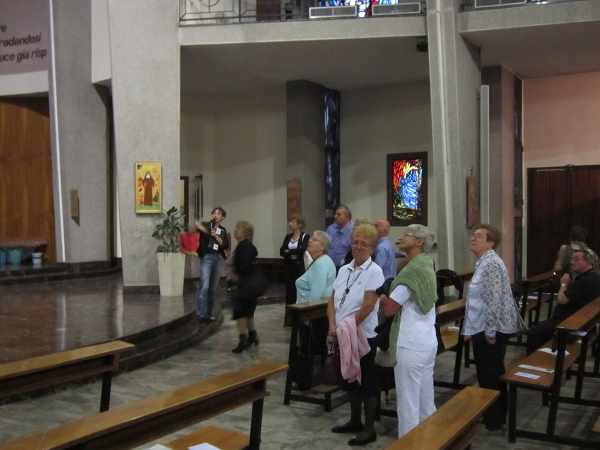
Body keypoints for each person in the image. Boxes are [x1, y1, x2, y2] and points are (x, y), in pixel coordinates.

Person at [463, 224, 524, 431]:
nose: (473, 239)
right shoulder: (484, 261)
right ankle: (496, 414)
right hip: (483, 327)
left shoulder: (490, 264)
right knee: (491, 371)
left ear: (491, 243)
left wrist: (489, 331)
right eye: (473, 235)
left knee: (489, 373)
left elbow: (494, 300)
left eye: (479, 236)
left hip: (490, 329)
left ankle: (494, 418)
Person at [328, 224, 384, 446]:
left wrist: (346, 327)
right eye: (356, 242)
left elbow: (368, 305)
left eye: (364, 244)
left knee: (367, 381)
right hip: (342, 333)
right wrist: (333, 325)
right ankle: (354, 421)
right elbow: (332, 300)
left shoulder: (375, 271)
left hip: (363, 335)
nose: (358, 246)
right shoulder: (343, 269)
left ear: (372, 248)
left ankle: (369, 429)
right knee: (349, 378)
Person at [380, 224, 437, 438]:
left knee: (408, 404)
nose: (401, 237)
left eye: (407, 234)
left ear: (419, 242)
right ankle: (431, 441)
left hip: (410, 343)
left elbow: (390, 309)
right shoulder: (427, 263)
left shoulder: (412, 270)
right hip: (427, 339)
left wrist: (383, 299)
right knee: (425, 401)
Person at [527, 246, 600, 354]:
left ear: (589, 262)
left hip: (568, 323)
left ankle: (533, 360)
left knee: (534, 332)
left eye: (576, 259)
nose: (572, 262)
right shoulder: (594, 276)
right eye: (572, 259)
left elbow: (562, 300)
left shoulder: (585, 280)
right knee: (539, 327)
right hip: (580, 321)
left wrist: (564, 284)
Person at [231, 221, 266, 353]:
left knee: (240, 313)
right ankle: (252, 335)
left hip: (244, 285)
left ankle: (243, 340)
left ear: (245, 232)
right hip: (251, 286)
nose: (235, 231)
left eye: (238, 229)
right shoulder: (249, 245)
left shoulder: (243, 246)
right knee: (248, 312)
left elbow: (243, 266)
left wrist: (236, 273)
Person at [195, 207, 230, 322]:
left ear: (222, 217)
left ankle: (209, 314)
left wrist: (215, 236)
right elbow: (196, 227)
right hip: (207, 257)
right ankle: (201, 314)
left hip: (218, 259)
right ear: (211, 215)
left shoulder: (222, 230)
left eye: (219, 214)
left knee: (212, 289)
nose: (216, 215)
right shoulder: (206, 225)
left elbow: (225, 245)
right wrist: (202, 228)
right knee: (204, 286)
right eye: (214, 213)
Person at [295, 230, 336, 304]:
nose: (309, 240)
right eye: (311, 238)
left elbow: (316, 296)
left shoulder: (321, 263)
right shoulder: (321, 260)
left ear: (322, 247)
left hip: (310, 308)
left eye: (314, 240)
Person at [280, 217, 310, 307]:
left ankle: (299, 309)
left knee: (298, 289)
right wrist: (293, 253)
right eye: (290, 222)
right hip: (288, 267)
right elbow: (281, 251)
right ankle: (289, 312)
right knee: (289, 290)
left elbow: (302, 250)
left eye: (293, 222)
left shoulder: (305, 236)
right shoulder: (288, 236)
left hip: (299, 267)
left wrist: (288, 251)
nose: (290, 224)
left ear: (299, 225)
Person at [326, 205, 354, 270]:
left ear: (347, 217)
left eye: (338, 214)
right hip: (329, 266)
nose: (335, 216)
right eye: (335, 214)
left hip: (345, 268)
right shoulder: (330, 229)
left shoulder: (353, 231)